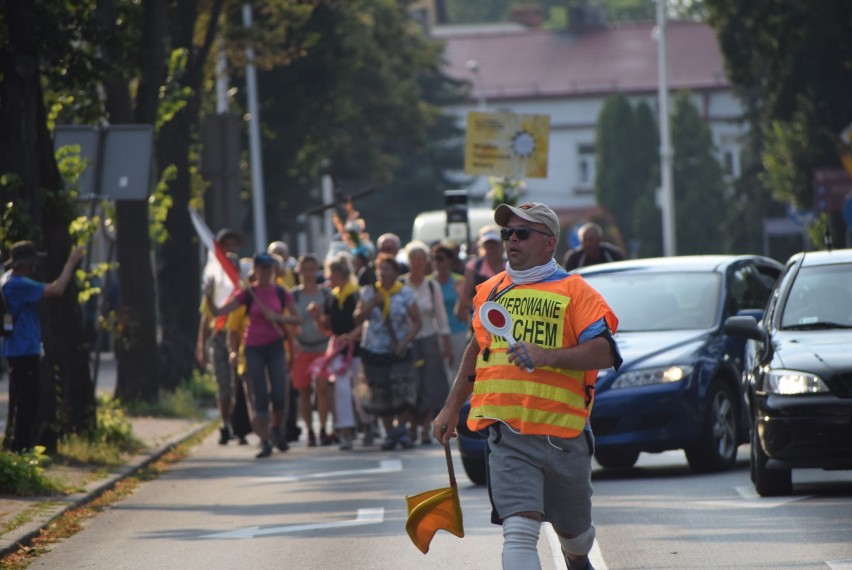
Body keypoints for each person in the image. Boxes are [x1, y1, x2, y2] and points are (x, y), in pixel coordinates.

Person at [433, 202, 622, 570]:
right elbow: (476, 350)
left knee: (577, 536)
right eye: (507, 233)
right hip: (508, 435)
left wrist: (548, 355)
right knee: (518, 531)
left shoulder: (575, 291)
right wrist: (451, 407)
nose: (511, 240)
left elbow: (605, 353)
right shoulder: (490, 290)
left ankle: (576, 557)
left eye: (522, 233)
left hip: (564, 436)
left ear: (550, 243)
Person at [207, 252, 302, 458]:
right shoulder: (248, 293)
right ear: (256, 270)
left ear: (274, 270)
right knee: (259, 394)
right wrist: (208, 296)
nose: (266, 272)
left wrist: (277, 317)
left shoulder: (281, 292)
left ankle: (277, 430)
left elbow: (297, 318)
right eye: (262, 268)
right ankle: (265, 440)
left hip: (276, 346)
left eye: (269, 268)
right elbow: (218, 312)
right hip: (253, 348)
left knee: (278, 393)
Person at [1, 240, 86, 452]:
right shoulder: (20, 284)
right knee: (29, 402)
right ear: (26, 264)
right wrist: (71, 262)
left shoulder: (7, 280)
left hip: (15, 348)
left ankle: (17, 446)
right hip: (24, 349)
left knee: (22, 400)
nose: (34, 267)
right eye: (32, 263)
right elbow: (56, 289)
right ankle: (20, 448)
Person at [354, 254, 421, 451]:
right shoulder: (368, 293)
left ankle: (402, 429)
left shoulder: (405, 294)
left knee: (403, 392)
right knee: (380, 393)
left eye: (387, 269)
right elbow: (357, 318)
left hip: (399, 350)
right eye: (380, 269)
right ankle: (389, 433)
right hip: (374, 349)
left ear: (396, 272)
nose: (383, 273)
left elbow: (417, 322)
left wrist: (404, 341)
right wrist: (372, 304)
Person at [309, 254, 364, 450]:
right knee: (341, 390)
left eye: (330, 272)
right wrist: (316, 317)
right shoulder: (331, 297)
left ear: (340, 273)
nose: (327, 276)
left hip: (358, 349)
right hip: (339, 351)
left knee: (360, 390)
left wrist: (351, 335)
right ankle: (346, 431)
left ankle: (368, 422)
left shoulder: (357, 294)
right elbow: (327, 328)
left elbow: (365, 322)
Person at [195, 229, 243, 445]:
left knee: (239, 385)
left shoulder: (243, 290)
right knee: (223, 385)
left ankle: (240, 423)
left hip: (240, 339)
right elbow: (206, 318)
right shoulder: (215, 289)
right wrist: (201, 345)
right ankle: (225, 423)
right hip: (219, 338)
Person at [401, 241, 452, 445]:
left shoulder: (432, 286)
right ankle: (410, 426)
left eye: (421, 258)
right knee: (411, 384)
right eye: (413, 258)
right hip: (408, 341)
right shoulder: (401, 285)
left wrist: (446, 344)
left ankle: (424, 427)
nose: (417, 262)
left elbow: (441, 316)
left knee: (430, 384)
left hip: (429, 338)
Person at [288, 254, 334, 447]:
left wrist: (318, 317)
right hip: (302, 349)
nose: (308, 273)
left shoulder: (326, 294)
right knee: (304, 391)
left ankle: (323, 428)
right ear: (298, 271)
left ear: (318, 270)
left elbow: (331, 323)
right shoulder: (293, 295)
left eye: (312, 268)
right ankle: (309, 430)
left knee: (322, 389)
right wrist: (293, 342)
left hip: (323, 348)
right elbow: (288, 323)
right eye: (304, 269)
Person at [429, 241, 468, 381]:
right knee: (440, 373)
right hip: (436, 333)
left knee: (457, 370)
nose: (436, 262)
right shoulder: (428, 283)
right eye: (433, 258)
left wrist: (461, 297)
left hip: (458, 331)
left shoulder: (460, 281)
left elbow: (465, 310)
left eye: (440, 258)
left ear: (449, 260)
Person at [455, 225, 505, 323]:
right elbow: (465, 299)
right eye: (487, 243)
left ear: (500, 244)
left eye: (494, 243)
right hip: (480, 321)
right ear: (482, 246)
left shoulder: (509, 266)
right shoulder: (473, 267)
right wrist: (488, 308)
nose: (491, 247)